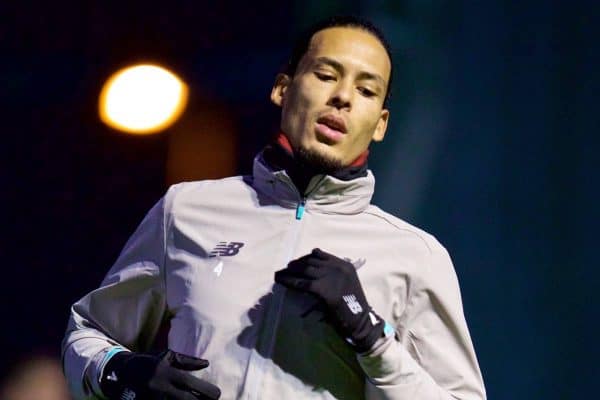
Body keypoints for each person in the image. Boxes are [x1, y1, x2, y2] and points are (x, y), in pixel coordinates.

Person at [62, 16, 486, 400]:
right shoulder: (186, 210)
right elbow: (88, 331)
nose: (342, 97)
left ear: (380, 123)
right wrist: (121, 372)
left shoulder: (416, 256)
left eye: (366, 90)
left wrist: (372, 337)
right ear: (283, 88)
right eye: (326, 75)